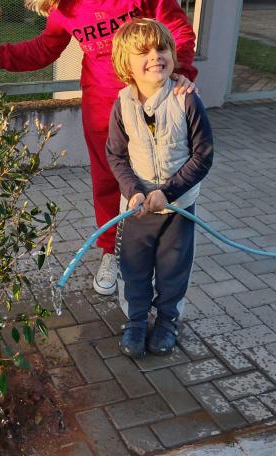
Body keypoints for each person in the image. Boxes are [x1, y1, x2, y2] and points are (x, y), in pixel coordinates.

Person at [0, 0, 197, 297]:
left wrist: (181, 76)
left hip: (155, 100)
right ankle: (112, 250)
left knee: (160, 176)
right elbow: (46, 49)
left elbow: (175, 25)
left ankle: (159, 256)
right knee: (109, 181)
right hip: (103, 105)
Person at [105, 18, 213, 357]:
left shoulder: (186, 100)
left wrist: (168, 193)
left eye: (161, 48)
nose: (155, 56)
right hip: (137, 208)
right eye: (143, 52)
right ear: (126, 65)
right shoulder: (122, 104)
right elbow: (116, 155)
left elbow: (203, 155)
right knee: (133, 267)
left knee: (173, 268)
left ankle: (167, 321)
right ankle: (136, 321)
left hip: (178, 208)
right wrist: (133, 191)